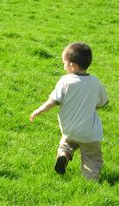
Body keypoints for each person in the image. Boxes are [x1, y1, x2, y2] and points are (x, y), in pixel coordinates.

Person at [30, 42, 109, 181]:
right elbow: (103, 103)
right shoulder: (95, 82)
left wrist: (38, 110)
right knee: (92, 158)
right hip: (89, 133)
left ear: (72, 65)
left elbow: (52, 101)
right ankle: (89, 180)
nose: (64, 66)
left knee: (67, 143)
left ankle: (64, 155)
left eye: (64, 63)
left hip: (69, 130)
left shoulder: (65, 81)